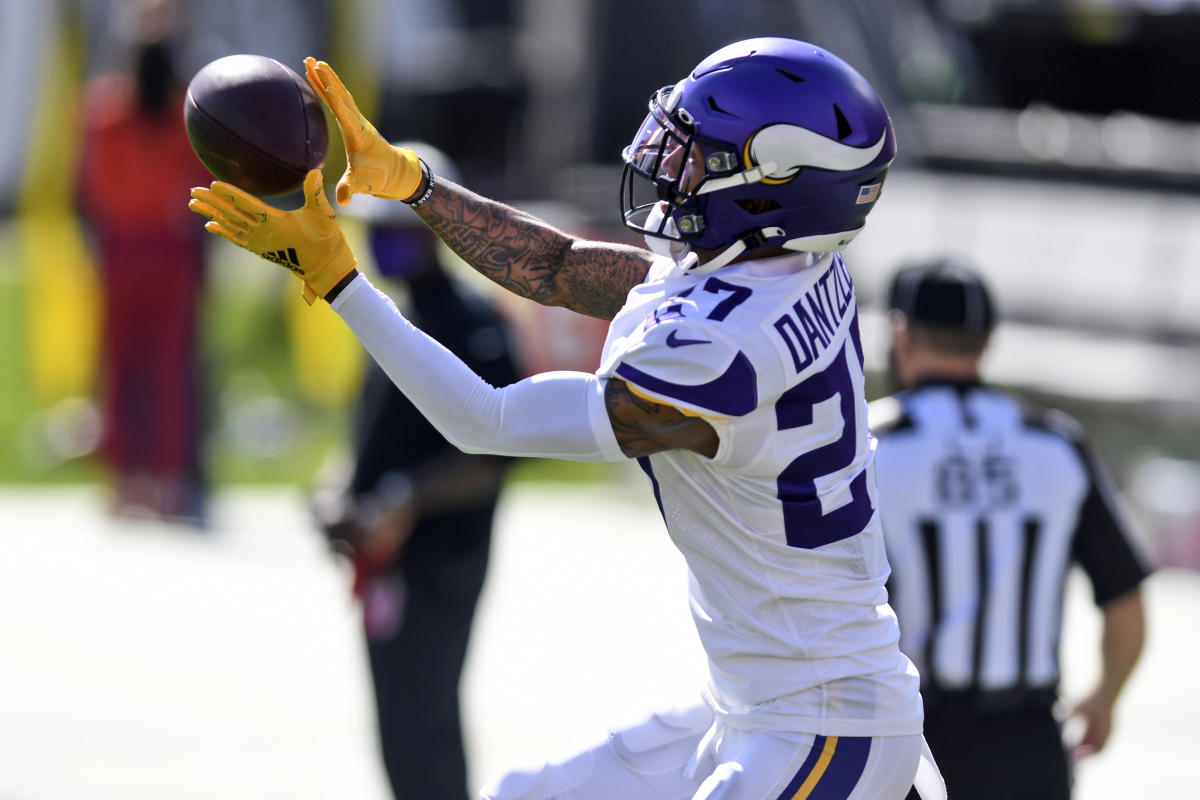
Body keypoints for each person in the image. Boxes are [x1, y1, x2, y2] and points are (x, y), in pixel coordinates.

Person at [190, 37, 946, 800]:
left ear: (774, 183)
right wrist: (416, 185)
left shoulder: (721, 351)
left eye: (698, 153)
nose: (667, 163)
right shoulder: (785, 267)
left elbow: (485, 420)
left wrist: (338, 280)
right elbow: (557, 268)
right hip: (757, 702)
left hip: (825, 724)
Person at [869, 257, 1151, 800]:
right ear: (988, 339)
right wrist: (1103, 697)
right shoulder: (1057, 443)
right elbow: (1127, 605)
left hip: (907, 741)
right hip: (1029, 746)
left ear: (900, 334)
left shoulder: (866, 444)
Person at [310, 143, 519, 800]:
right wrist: (338, 490)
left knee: (422, 720)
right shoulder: (392, 319)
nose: (391, 247)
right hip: (383, 558)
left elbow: (492, 456)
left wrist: (404, 499)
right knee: (398, 726)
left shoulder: (471, 320)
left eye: (404, 232)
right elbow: (372, 435)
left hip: (439, 560)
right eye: (381, 234)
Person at [78, 0, 210, 523]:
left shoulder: (103, 110)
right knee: (169, 365)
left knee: (121, 363)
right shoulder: (185, 112)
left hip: (122, 248)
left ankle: (123, 480)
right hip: (170, 248)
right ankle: (165, 481)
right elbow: (200, 185)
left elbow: (93, 189)